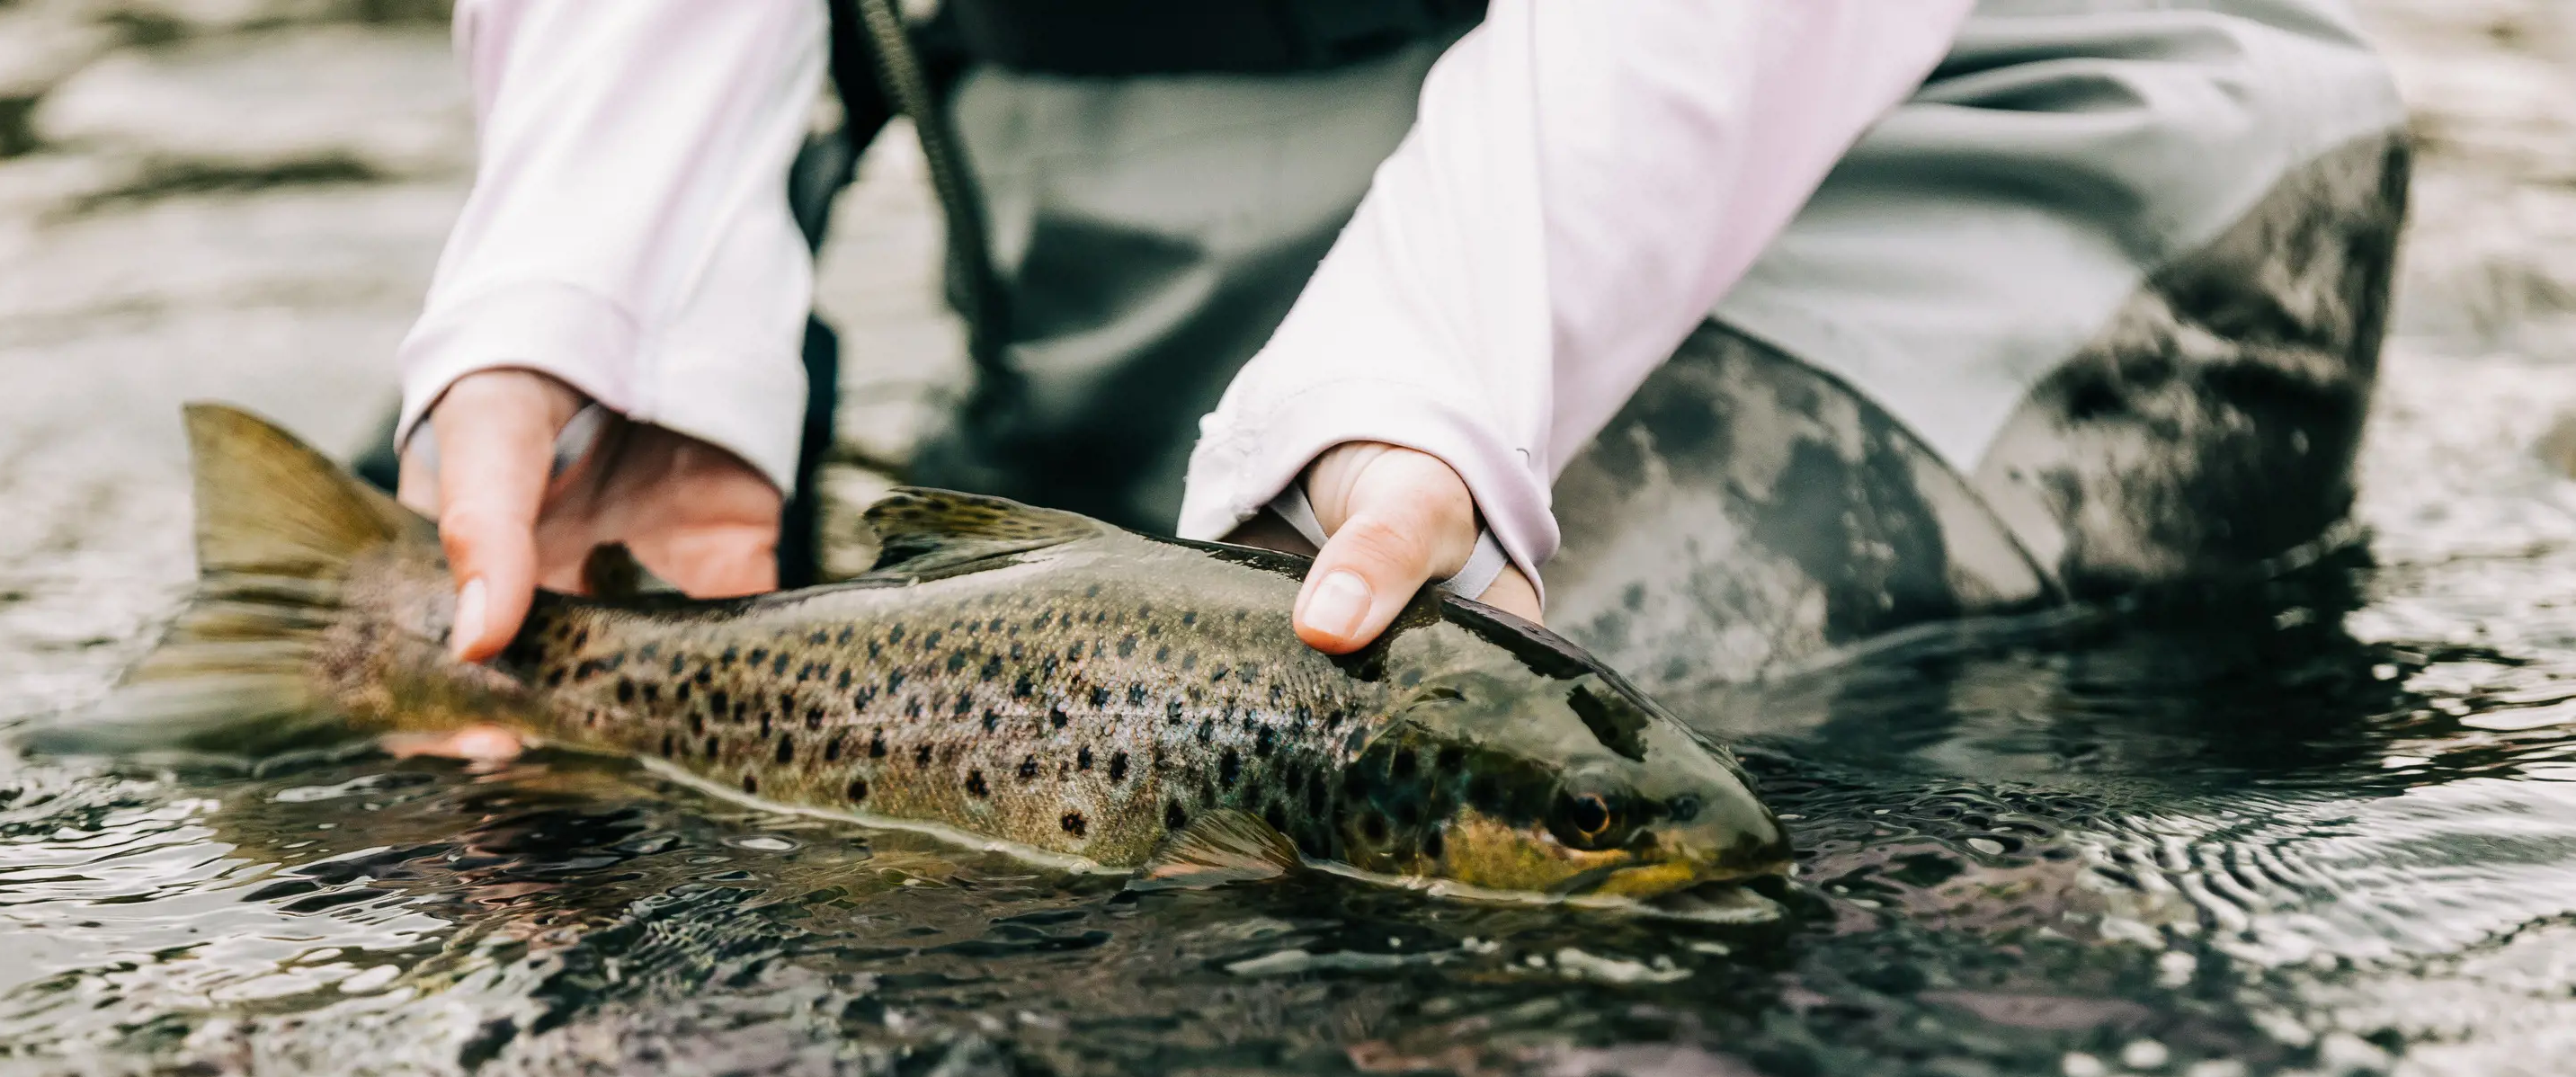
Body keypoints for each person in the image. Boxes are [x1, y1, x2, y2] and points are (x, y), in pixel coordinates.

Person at [387, 0, 2409, 737]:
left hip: (1959, 141)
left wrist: (1443, 374)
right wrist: (602, 293)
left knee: (1471, 773)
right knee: (453, 652)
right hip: (1175, 185)